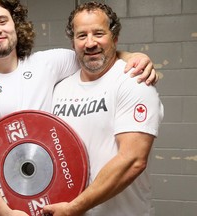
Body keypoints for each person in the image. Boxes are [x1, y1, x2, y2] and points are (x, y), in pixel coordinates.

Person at [0, 0, 159, 215]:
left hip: (39, 200)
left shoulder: (48, 63)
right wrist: (3, 212)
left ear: (15, 24)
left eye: (2, 20)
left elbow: (95, 54)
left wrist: (134, 58)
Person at [43, 2, 164, 216]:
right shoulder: (59, 88)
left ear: (114, 38)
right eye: (82, 36)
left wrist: (74, 208)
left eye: (99, 33)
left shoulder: (134, 80)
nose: (90, 43)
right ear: (73, 43)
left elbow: (133, 160)